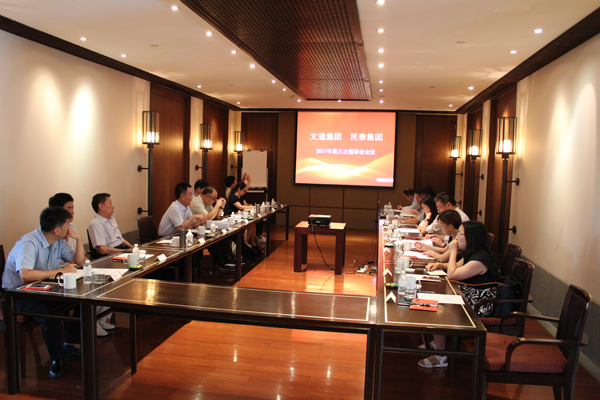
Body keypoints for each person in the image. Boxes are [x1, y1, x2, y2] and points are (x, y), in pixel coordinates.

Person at [2, 207, 86, 378]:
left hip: (41, 289)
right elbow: (25, 275)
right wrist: (59, 272)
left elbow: (80, 262)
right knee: (49, 315)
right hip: (17, 294)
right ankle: (56, 359)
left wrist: (78, 239)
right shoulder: (29, 243)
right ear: (56, 230)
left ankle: (69, 345)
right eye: (67, 225)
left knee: (80, 301)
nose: (69, 229)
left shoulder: (58, 241)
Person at [419, 221, 500, 368]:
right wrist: (439, 264)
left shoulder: (480, 259)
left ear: (471, 238)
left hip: (479, 304)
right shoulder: (473, 253)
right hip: (467, 294)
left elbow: (452, 274)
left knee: (438, 307)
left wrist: (453, 250)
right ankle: (437, 342)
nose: (456, 238)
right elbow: (456, 267)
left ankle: (440, 356)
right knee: (434, 293)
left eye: (460, 235)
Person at [49, 193, 114, 337]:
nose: (72, 211)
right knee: (92, 286)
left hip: (75, 267)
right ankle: (91, 324)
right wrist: (81, 262)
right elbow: (73, 260)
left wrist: (85, 260)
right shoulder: (54, 232)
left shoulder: (71, 226)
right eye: (68, 208)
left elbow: (79, 256)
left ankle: (100, 319)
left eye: (73, 207)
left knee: (107, 279)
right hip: (61, 273)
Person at [191, 187, 237, 270]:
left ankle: (229, 260)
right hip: (193, 231)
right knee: (213, 240)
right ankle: (221, 263)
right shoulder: (196, 202)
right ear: (206, 196)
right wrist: (217, 205)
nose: (215, 200)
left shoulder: (207, 202)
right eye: (214, 198)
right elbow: (208, 218)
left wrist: (221, 207)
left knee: (222, 235)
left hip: (203, 228)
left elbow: (216, 216)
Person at [224, 182, 259, 251]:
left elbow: (245, 204)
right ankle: (245, 243)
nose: (245, 192)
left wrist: (250, 206)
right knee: (249, 224)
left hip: (239, 216)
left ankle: (251, 242)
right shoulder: (233, 197)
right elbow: (240, 207)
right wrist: (253, 207)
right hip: (231, 217)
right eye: (244, 191)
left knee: (253, 224)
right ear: (239, 189)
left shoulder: (241, 197)